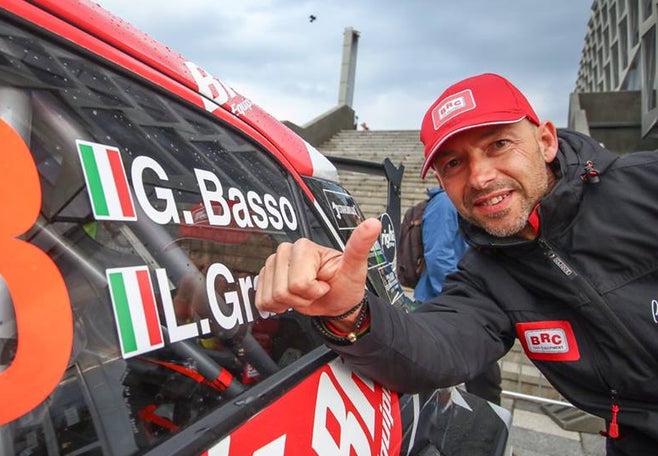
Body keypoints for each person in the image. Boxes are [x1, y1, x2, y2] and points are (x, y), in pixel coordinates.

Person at [255, 73, 658, 455]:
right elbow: (435, 347)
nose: (480, 177)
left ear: (546, 141)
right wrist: (350, 313)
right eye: (453, 164)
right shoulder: (485, 273)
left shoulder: (644, 185)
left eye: (499, 144)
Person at [414, 186, 502, 405]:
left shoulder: (458, 201)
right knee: (480, 379)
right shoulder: (445, 202)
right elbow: (437, 255)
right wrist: (460, 294)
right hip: (447, 302)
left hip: (462, 301)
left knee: (484, 379)